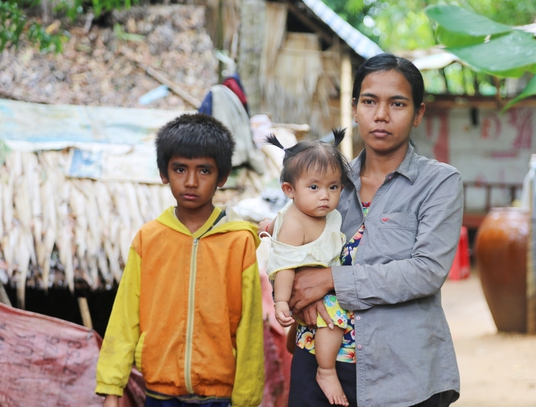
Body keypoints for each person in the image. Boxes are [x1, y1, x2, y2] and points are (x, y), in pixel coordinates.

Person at [287, 53, 463, 407]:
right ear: (354, 108)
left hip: (401, 375)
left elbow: (426, 271)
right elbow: (291, 244)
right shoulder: (326, 184)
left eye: (397, 103)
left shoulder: (439, 183)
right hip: (319, 364)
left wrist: (329, 280)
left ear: (418, 114)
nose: (381, 115)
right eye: (369, 101)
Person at [95, 114, 264, 407]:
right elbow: (124, 317)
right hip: (160, 392)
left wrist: (246, 400)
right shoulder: (149, 239)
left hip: (219, 396)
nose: (191, 181)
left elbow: (250, 328)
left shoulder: (239, 241)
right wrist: (112, 389)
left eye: (204, 171)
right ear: (164, 173)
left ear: (222, 177)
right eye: (180, 169)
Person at [262, 129, 350, 406]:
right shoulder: (294, 224)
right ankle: (326, 371)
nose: (325, 195)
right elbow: (284, 267)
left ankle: (299, 340)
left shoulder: (331, 215)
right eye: (314, 187)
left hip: (323, 282)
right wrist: (281, 303)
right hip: (305, 289)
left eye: (333, 187)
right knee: (334, 320)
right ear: (289, 190)